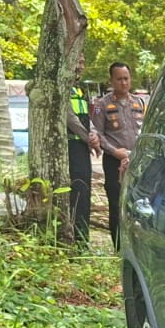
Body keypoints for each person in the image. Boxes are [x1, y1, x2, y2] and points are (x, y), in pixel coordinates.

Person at [91, 62, 147, 242]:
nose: (124, 83)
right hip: (114, 161)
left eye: (126, 78)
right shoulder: (102, 105)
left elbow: (146, 130)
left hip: (137, 161)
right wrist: (115, 151)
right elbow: (98, 132)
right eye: (119, 79)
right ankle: (118, 246)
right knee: (116, 204)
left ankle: (136, 244)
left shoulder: (139, 102)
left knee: (138, 203)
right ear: (111, 81)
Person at [64, 55, 101, 245]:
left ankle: (83, 239)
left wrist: (93, 135)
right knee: (76, 193)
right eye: (77, 61)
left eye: (82, 62)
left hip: (83, 149)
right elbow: (70, 119)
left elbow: (87, 117)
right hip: (71, 149)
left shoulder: (80, 89)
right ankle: (76, 239)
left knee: (84, 194)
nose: (80, 66)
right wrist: (89, 139)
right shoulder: (63, 88)